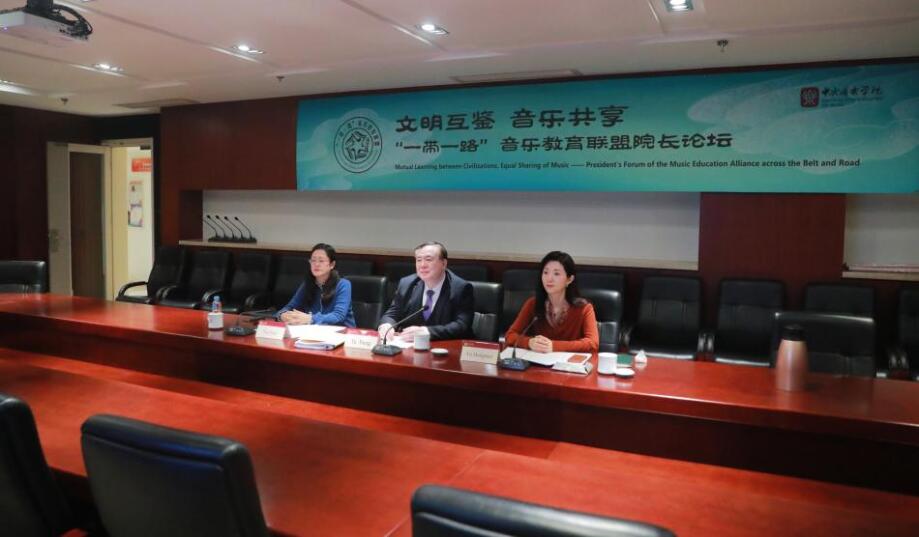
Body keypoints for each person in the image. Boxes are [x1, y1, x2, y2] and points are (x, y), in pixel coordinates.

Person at [505, 251, 599, 353]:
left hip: (569, 362)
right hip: (538, 361)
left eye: (556, 274)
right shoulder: (533, 304)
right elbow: (510, 336)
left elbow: (593, 343)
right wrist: (529, 342)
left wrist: (554, 346)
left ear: (569, 279)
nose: (549, 279)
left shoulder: (584, 308)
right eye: (545, 272)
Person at [378, 241, 473, 341]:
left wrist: (428, 332)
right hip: (410, 346)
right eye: (419, 260)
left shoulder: (460, 288)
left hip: (446, 346)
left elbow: (462, 325)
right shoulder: (407, 283)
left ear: (444, 263)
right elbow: (392, 314)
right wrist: (386, 325)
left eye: (428, 259)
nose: (422, 265)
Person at [278, 243, 356, 328]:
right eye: (313, 260)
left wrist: (310, 318)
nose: (316, 264)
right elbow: (289, 307)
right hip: (314, 331)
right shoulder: (307, 284)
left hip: (342, 332)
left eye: (321, 261)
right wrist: (282, 315)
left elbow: (338, 316)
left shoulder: (343, 284)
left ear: (332, 264)